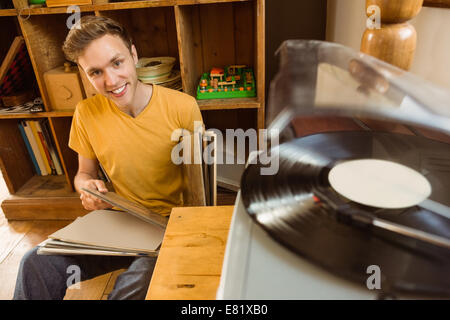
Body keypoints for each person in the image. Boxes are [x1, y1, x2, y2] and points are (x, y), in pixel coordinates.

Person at [13, 15, 203, 300]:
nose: (111, 81)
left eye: (117, 63)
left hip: (169, 227)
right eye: (95, 72)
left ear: (134, 55)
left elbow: (200, 187)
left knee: (132, 287)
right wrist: (87, 188)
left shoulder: (183, 108)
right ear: (84, 74)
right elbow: (83, 174)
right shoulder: (86, 113)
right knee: (34, 263)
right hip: (118, 224)